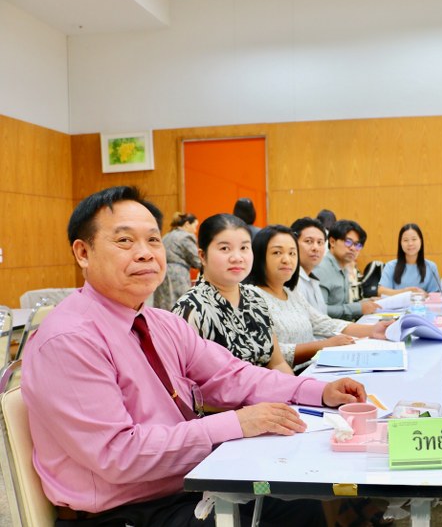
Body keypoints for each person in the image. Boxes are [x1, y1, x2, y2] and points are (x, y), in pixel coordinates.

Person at [21, 186, 364, 526]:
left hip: (183, 485)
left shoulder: (160, 323)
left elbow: (231, 375)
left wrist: (317, 391)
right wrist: (236, 424)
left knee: (298, 503)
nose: (145, 253)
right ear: (83, 252)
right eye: (125, 241)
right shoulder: (70, 339)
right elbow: (118, 454)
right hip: (123, 512)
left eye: (153, 240)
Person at [249, 225, 390, 371]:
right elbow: (270, 353)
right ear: (259, 256)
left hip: (311, 368)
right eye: (277, 252)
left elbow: (323, 323)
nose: (287, 259)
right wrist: (324, 345)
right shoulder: (251, 296)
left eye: (292, 253)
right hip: (289, 376)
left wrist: (373, 330)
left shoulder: (291, 293)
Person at [172, 214, 292, 374]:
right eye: (224, 249)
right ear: (202, 256)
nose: (237, 258)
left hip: (273, 394)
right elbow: (187, 386)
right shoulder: (190, 309)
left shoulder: (255, 299)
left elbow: (278, 364)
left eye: (244, 248)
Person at [313, 219, 380, 320]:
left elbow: (341, 305)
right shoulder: (321, 269)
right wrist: (358, 308)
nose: (353, 248)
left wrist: (366, 303)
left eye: (358, 245)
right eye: (348, 242)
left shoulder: (343, 266)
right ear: (332, 242)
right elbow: (319, 311)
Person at [152, 211, 201, 310]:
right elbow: (197, 259)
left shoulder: (167, 235)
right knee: (181, 307)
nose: (195, 230)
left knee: (164, 306)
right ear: (187, 224)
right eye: (195, 226)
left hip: (162, 273)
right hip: (178, 275)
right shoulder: (185, 237)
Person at [377, 223, 440, 296]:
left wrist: (424, 295)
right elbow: (380, 291)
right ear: (400, 243)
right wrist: (405, 292)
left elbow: (436, 294)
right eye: (405, 240)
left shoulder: (431, 266)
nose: (410, 243)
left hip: (422, 306)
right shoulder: (390, 266)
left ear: (420, 241)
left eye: (414, 239)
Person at [291, 217, 329, 314]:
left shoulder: (312, 279)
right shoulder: (291, 281)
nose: (315, 248)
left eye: (320, 242)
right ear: (293, 243)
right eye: (308, 241)